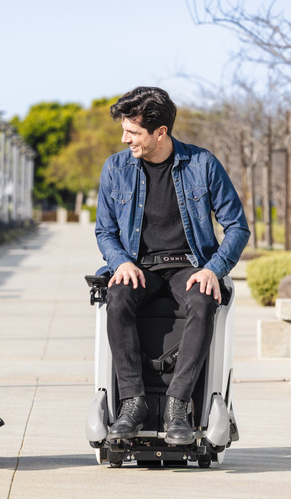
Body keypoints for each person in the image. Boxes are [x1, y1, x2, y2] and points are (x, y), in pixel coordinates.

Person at [95, 86, 250, 445]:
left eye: (132, 132)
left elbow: (237, 227)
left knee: (202, 300)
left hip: (189, 266)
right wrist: (119, 262)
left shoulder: (202, 164)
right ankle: (132, 404)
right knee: (115, 298)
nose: (124, 138)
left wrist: (214, 268)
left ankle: (178, 406)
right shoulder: (116, 167)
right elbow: (104, 230)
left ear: (160, 131)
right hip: (139, 267)